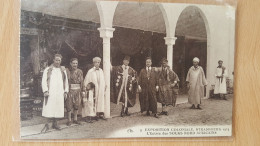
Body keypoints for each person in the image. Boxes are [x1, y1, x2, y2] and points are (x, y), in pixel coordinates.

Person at [41, 54, 69, 132]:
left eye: (59, 60)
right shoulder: (48, 69)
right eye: (56, 60)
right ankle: (47, 125)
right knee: (49, 108)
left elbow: (66, 81)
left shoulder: (63, 70)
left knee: (58, 108)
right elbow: (44, 80)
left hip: (60, 92)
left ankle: (55, 124)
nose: (57, 62)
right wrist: (45, 90)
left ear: (61, 61)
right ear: (53, 60)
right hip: (50, 92)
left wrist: (66, 91)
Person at [65, 58, 84, 126]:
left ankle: (75, 119)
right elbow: (66, 81)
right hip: (70, 90)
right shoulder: (67, 71)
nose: (75, 65)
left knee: (77, 105)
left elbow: (82, 81)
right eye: (73, 63)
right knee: (69, 105)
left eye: (76, 63)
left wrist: (83, 90)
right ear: (70, 63)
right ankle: (69, 120)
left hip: (78, 90)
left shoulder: (80, 71)